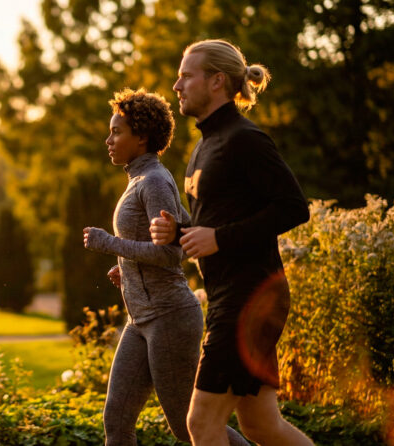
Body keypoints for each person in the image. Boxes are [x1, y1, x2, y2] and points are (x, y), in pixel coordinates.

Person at [149, 39, 313, 446]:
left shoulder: (246, 139)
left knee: (201, 423)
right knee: (261, 427)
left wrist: (220, 238)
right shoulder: (203, 147)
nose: (176, 85)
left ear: (217, 81)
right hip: (232, 297)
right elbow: (215, 227)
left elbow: (294, 207)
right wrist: (180, 234)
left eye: (187, 75)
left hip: (250, 299)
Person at [83, 88, 248, 446]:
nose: (108, 139)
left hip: (170, 317)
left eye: (116, 132)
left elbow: (171, 253)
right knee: (116, 421)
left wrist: (109, 244)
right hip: (139, 320)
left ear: (141, 137)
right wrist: (125, 266)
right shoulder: (141, 179)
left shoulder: (154, 180)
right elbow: (182, 233)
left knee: (187, 425)